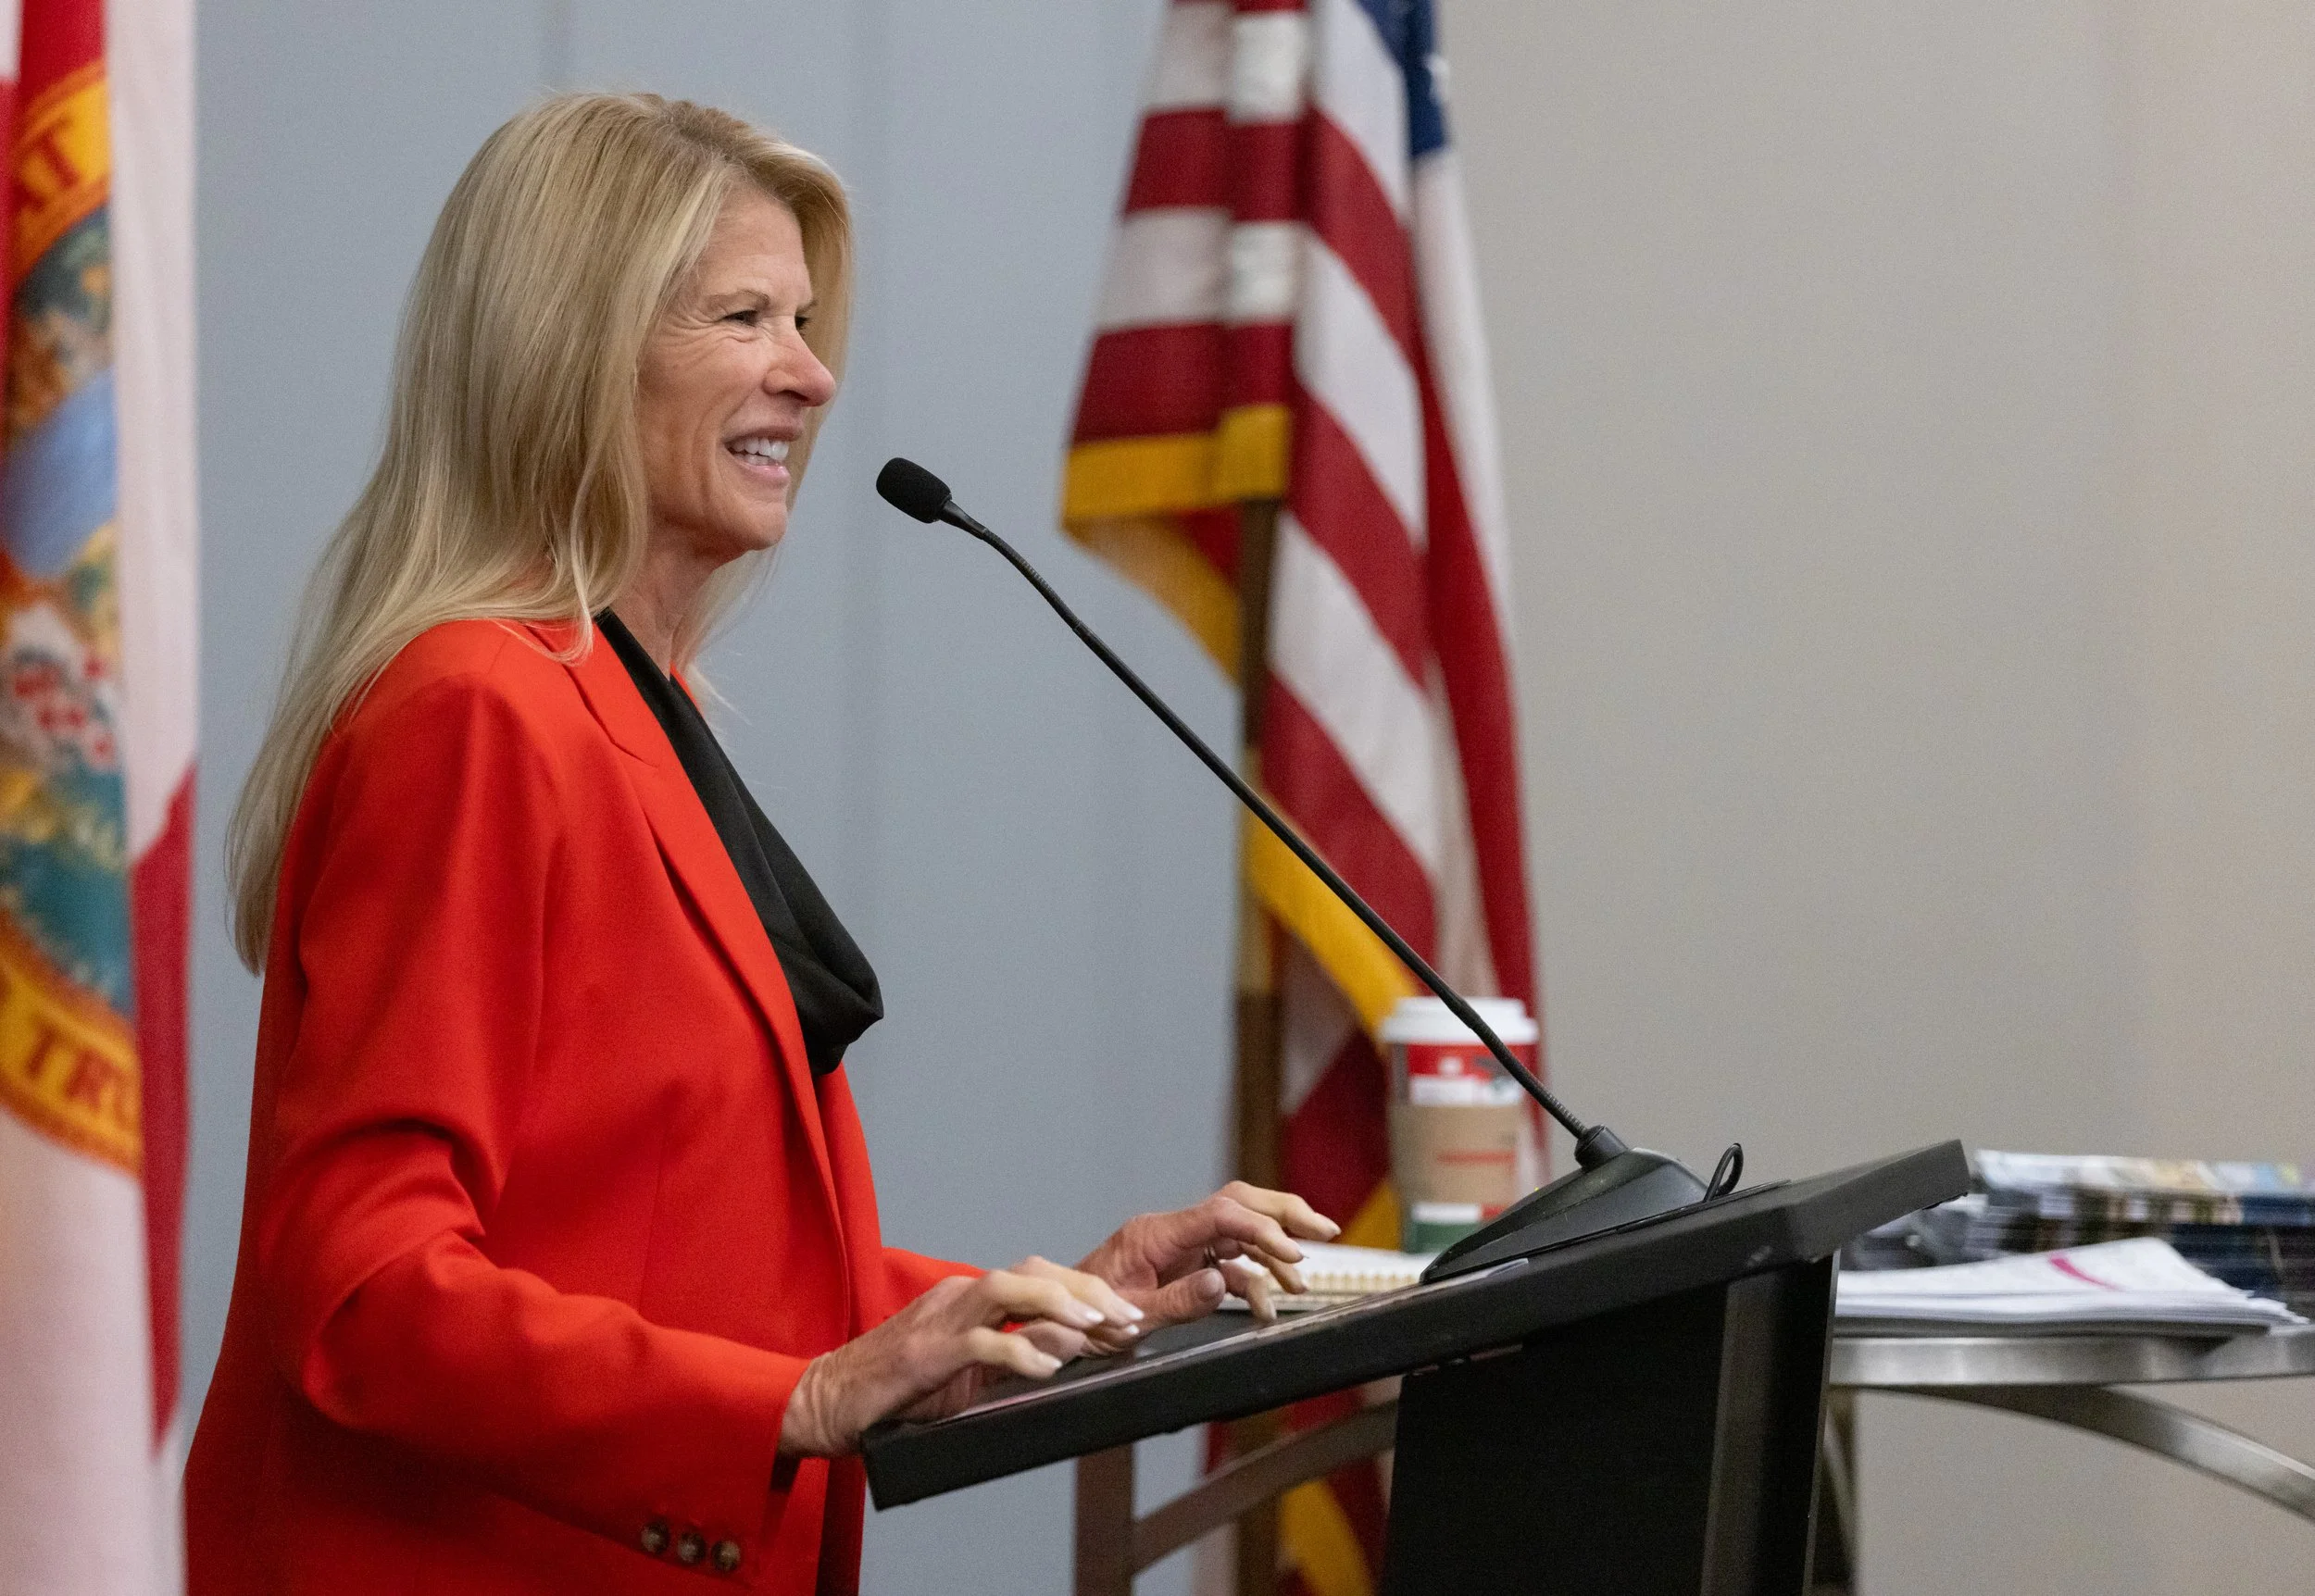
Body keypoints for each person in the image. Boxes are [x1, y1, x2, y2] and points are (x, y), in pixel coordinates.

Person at [184, 94, 1337, 1596]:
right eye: (745, 317)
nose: (812, 373)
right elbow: (364, 1288)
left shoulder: (622, 702)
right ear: (573, 351)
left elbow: (678, 1257)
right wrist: (793, 1403)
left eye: (803, 320)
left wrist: (1050, 1299)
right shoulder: (475, 709)